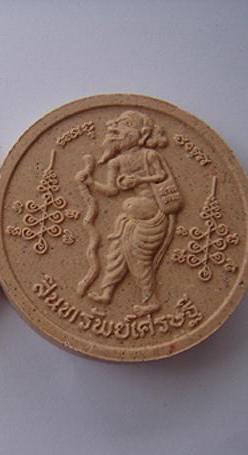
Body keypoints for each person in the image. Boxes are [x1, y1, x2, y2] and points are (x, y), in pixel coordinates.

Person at [76, 111, 181, 315]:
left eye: (126, 126)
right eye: (117, 126)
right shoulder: (115, 162)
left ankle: (150, 301)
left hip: (154, 213)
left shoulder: (149, 155)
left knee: (138, 257)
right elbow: (111, 190)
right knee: (116, 252)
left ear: (141, 133)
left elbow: (162, 175)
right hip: (133, 216)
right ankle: (107, 292)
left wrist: (140, 180)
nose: (118, 130)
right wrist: (91, 183)